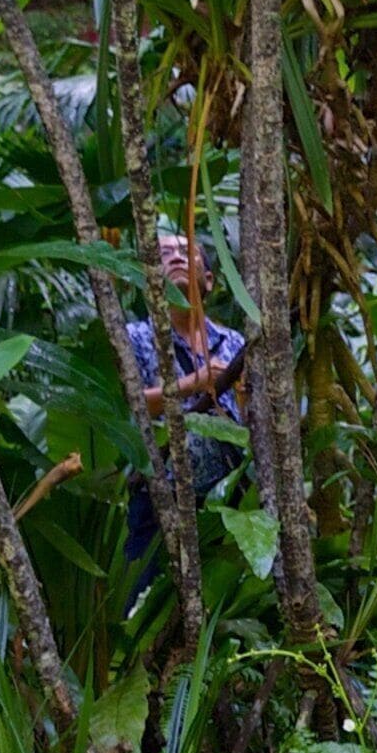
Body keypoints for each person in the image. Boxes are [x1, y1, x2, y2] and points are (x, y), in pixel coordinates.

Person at [124, 234, 247, 569]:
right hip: (160, 494)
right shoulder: (135, 337)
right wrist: (195, 383)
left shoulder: (234, 342)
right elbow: (130, 403)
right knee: (144, 588)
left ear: (209, 280)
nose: (176, 257)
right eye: (165, 253)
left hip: (228, 495)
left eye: (186, 251)